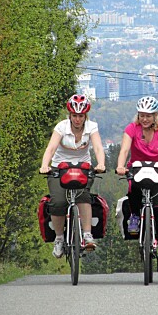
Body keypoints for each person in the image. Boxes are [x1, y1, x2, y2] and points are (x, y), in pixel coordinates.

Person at [116, 96, 158, 271]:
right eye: (142, 115)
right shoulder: (132, 129)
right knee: (133, 190)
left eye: (148, 115)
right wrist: (120, 166)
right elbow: (124, 150)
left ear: (155, 116)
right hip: (137, 171)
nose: (144, 119)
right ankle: (135, 215)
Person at [40, 94, 106, 258]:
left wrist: (101, 164)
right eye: (74, 116)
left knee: (83, 195)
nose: (77, 119)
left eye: (81, 116)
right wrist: (44, 165)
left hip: (82, 167)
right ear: (70, 115)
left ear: (85, 116)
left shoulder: (92, 127)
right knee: (58, 202)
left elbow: (98, 148)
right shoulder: (61, 127)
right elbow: (51, 148)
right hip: (59, 168)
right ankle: (59, 239)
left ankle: (87, 234)